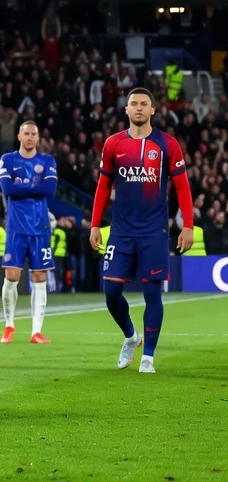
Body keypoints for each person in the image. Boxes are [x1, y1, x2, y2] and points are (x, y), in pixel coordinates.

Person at [89, 87, 195, 374]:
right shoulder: (113, 144)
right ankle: (130, 336)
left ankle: (148, 356)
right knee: (111, 292)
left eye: (143, 104)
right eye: (133, 103)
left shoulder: (167, 144)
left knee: (152, 294)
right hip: (121, 231)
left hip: (154, 231)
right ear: (126, 110)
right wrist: (95, 224)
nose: (138, 108)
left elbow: (182, 186)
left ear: (152, 110)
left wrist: (188, 224)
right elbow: (103, 186)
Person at [0, 121, 58, 345]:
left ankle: (36, 331)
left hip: (40, 228)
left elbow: (50, 189)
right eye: (27, 133)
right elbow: (7, 189)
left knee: (39, 277)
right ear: (19, 136)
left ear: (38, 138)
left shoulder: (47, 160)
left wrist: (21, 187)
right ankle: (9, 324)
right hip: (16, 228)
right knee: (11, 276)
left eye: (34, 133)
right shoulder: (8, 159)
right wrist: (34, 187)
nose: (31, 137)